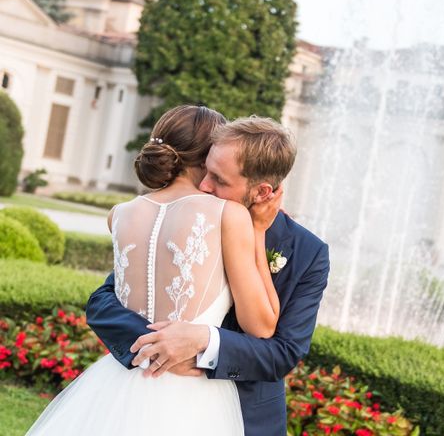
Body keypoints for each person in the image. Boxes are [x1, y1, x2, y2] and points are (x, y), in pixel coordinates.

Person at [26, 105, 284, 435]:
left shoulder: (119, 213)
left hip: (119, 380)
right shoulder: (228, 215)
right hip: (191, 395)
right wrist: (258, 230)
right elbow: (261, 327)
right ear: (208, 154)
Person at [85, 113, 330, 435]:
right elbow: (105, 299)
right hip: (148, 394)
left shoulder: (307, 251)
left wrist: (205, 342)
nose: (203, 185)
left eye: (220, 180)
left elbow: (284, 352)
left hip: (243, 416)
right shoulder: (186, 216)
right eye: (206, 170)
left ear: (262, 192)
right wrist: (159, 344)